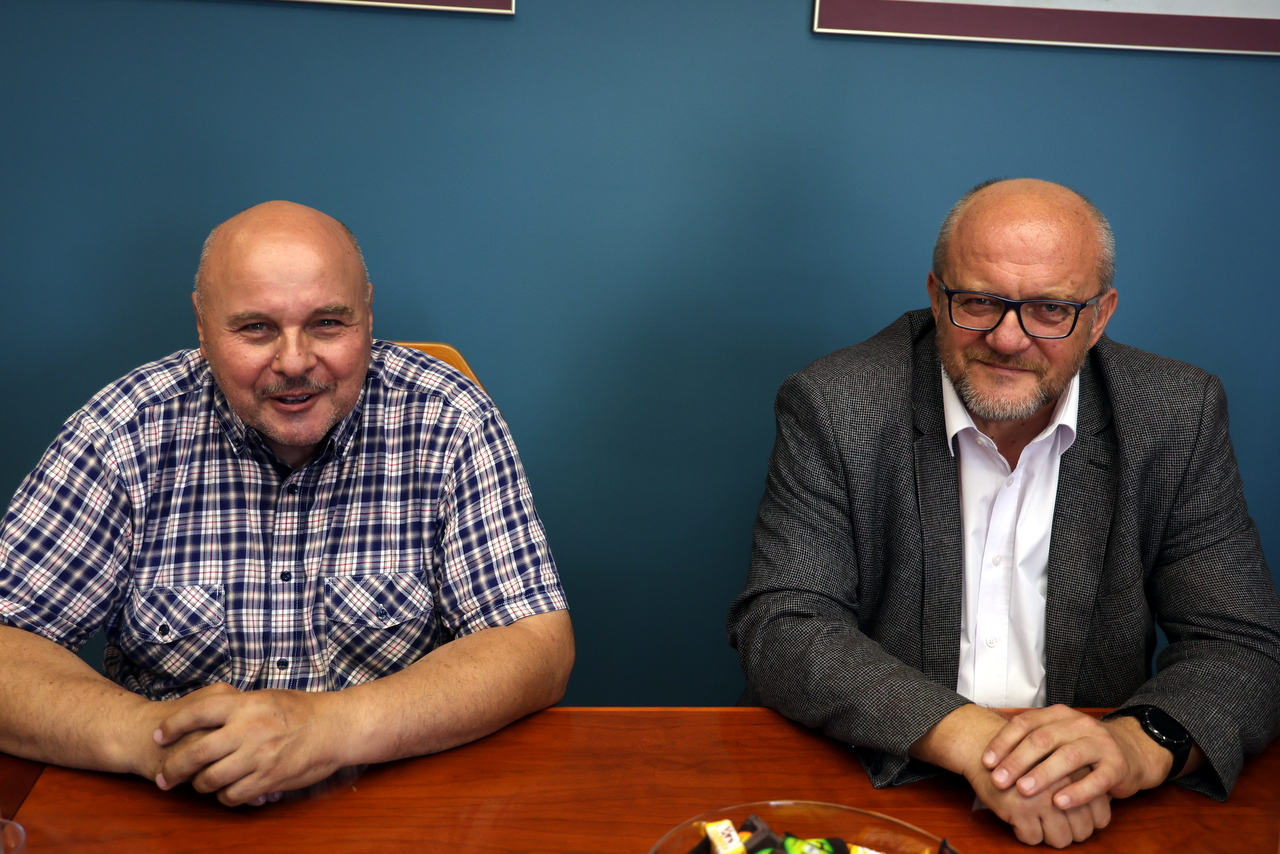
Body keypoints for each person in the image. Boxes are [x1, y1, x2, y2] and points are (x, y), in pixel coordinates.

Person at [727, 179, 1280, 848]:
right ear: (937, 296)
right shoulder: (836, 403)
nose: (1010, 338)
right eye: (980, 302)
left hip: (1090, 800)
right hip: (880, 785)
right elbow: (784, 623)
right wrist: (974, 740)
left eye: (1050, 309)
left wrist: (1136, 745)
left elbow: (1243, 644)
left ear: (1099, 317)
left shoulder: (1175, 415)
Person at [0, 201, 574, 807]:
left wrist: (331, 729)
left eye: (327, 323)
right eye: (256, 328)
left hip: (396, 807)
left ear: (368, 314)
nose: (295, 362)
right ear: (202, 326)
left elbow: (536, 645)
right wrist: (151, 738)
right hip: (172, 809)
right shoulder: (122, 432)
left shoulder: (448, 419)